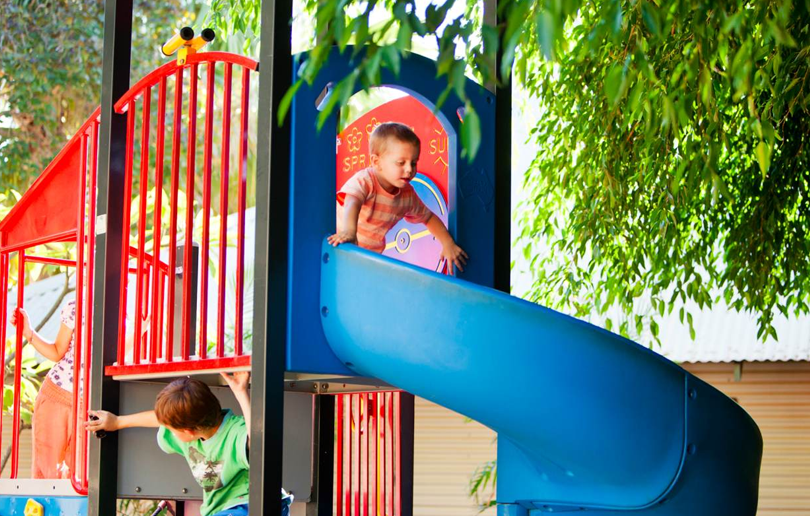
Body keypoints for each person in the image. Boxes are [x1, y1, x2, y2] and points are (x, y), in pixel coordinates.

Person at [87, 373, 252, 516]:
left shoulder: (235, 432)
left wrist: (241, 393)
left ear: (188, 431)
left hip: (247, 504)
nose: (167, 430)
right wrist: (117, 422)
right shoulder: (191, 432)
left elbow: (258, 442)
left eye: (171, 429)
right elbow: (158, 418)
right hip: (219, 511)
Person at [328, 122, 468, 272]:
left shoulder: (407, 195)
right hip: (341, 245)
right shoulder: (366, 180)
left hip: (370, 257)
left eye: (414, 163)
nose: (409, 170)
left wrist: (447, 243)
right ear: (377, 162)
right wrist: (349, 231)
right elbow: (352, 201)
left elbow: (427, 217)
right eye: (401, 163)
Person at [12, 300, 78, 479]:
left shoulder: (120, 311)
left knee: (78, 473)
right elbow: (58, 351)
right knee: (48, 469)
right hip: (57, 393)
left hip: (87, 402)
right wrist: (29, 334)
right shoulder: (77, 306)